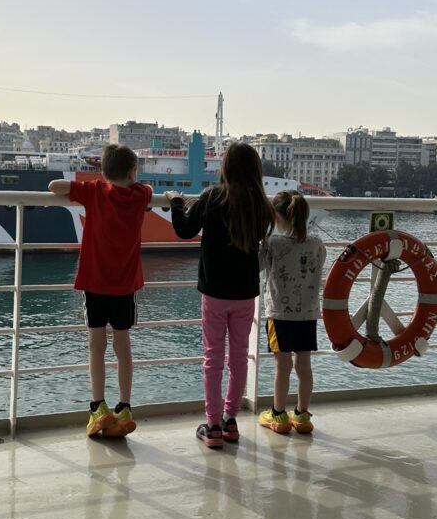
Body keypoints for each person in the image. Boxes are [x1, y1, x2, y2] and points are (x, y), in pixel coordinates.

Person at [166, 143, 274, 449]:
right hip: (245, 294)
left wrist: (176, 203)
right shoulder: (259, 204)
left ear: (225, 167)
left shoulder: (212, 197)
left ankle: (212, 425)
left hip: (214, 292)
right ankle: (230, 420)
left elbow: (184, 230)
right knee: (239, 358)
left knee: (213, 359)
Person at [49, 145, 153, 438]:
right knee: (123, 346)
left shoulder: (94, 191)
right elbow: (147, 189)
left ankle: (98, 407)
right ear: (132, 172)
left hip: (94, 282)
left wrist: (95, 183)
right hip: (125, 286)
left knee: (96, 346)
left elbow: (54, 186)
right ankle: (125, 407)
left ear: (104, 172)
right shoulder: (141, 195)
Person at [258, 190, 326, 435]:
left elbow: (257, 266)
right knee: (304, 365)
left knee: (283, 366)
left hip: (280, 314)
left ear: (276, 217)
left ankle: (278, 415)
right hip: (308, 313)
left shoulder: (273, 244)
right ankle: (302, 415)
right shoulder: (317, 243)